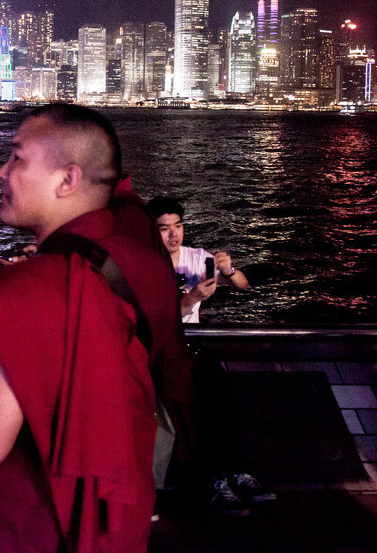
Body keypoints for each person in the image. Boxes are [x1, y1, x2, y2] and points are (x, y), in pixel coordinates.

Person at [0, 104, 191, 552]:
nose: (0, 172)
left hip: (23, 520)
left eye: (16, 158)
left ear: (67, 180)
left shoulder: (24, 291)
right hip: (115, 501)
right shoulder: (144, 264)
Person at [146, 195, 270, 516]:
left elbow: (244, 285)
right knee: (194, 414)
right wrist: (191, 299)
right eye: (164, 229)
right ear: (150, 230)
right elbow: (153, 320)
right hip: (160, 353)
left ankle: (237, 473)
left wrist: (229, 272)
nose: (174, 235)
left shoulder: (196, 258)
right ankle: (215, 482)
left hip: (194, 347)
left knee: (224, 402)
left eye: (178, 226)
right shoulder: (144, 265)